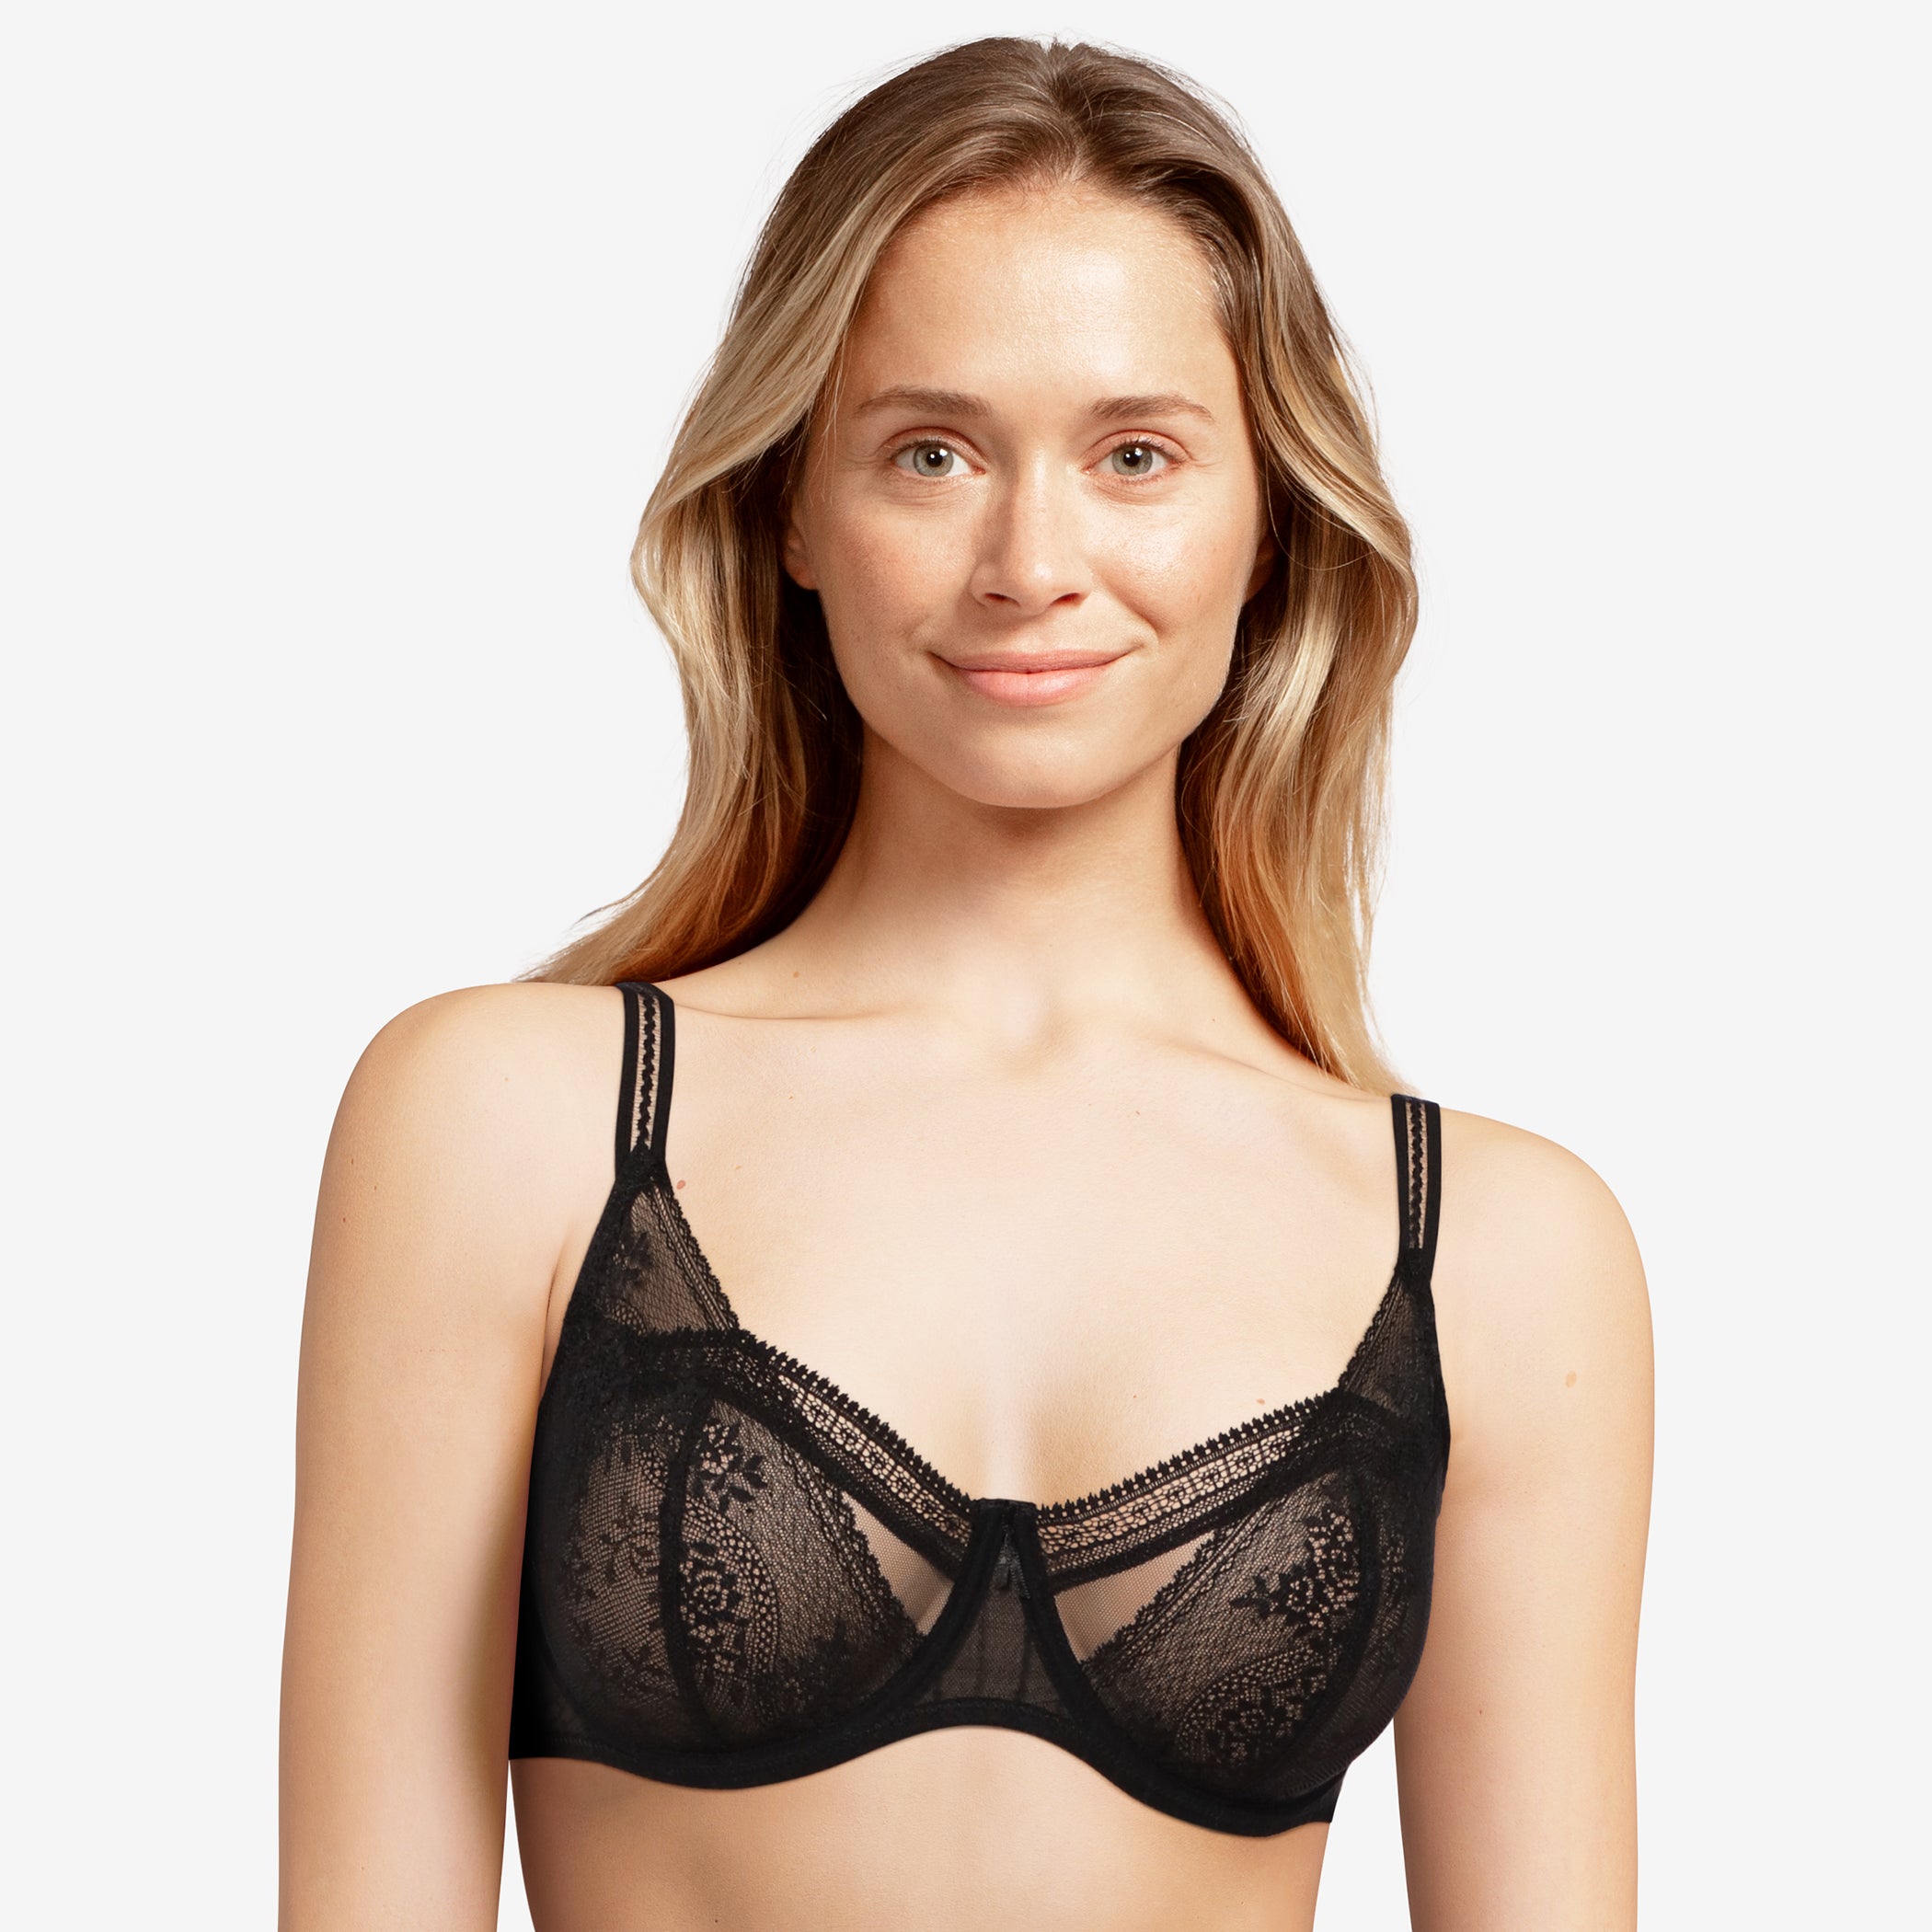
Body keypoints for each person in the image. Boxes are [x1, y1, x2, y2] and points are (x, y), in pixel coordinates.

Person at [279, 36, 1653, 1932]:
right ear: (793, 506)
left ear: (1267, 519)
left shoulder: (1496, 1250)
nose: (1030, 563)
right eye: (931, 453)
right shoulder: (510, 1129)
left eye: (1136, 457)